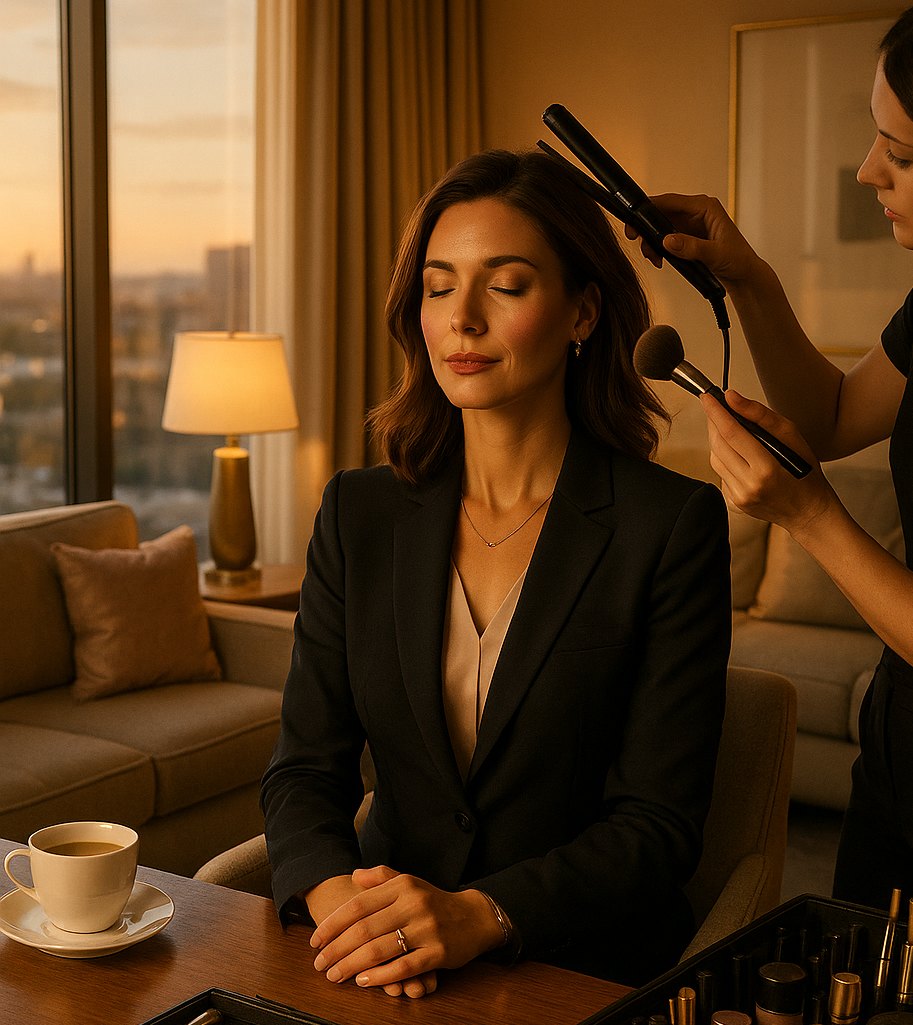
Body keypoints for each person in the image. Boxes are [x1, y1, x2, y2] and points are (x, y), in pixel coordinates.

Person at [260, 148, 732, 997]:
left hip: (573, 963)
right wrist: (354, 920)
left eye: (505, 285)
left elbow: (657, 826)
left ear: (583, 312)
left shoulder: (670, 527)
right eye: (439, 286)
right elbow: (304, 773)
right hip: (382, 963)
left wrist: (479, 915)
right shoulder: (357, 513)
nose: (461, 319)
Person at [630, 0, 913, 936]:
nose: (866, 171)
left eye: (902, 152)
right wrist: (748, 277)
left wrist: (810, 516)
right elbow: (833, 415)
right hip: (903, 746)